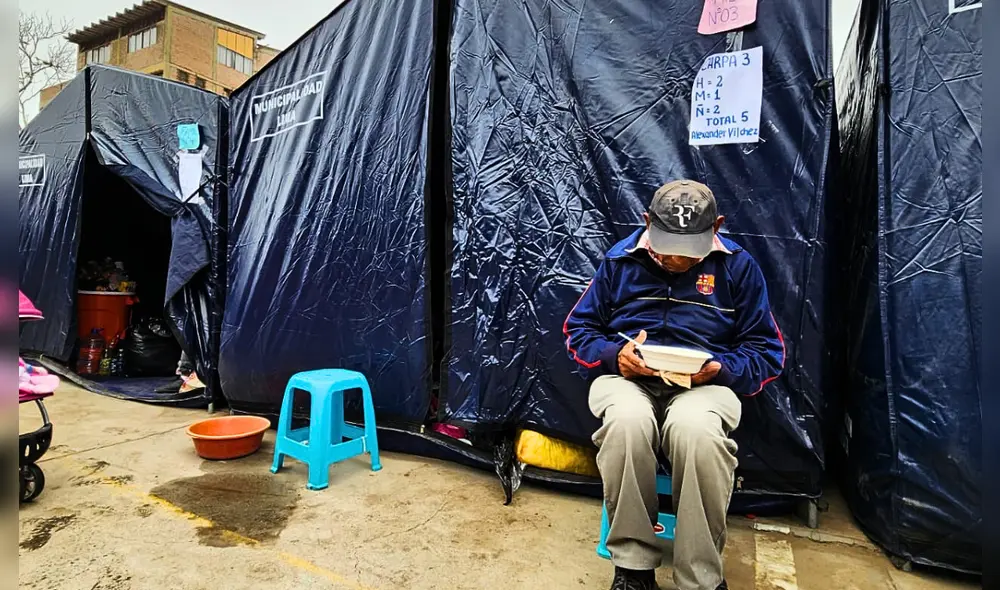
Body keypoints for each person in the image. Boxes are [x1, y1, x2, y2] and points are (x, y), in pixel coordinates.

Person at [564, 180, 784, 590]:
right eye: (666, 244)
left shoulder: (738, 267)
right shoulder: (619, 263)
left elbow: (766, 352)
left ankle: (699, 579)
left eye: (689, 249)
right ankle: (632, 568)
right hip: (629, 381)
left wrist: (719, 368)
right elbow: (580, 331)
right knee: (626, 423)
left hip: (704, 388)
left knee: (696, 432)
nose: (675, 258)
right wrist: (616, 356)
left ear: (717, 227)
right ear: (647, 221)